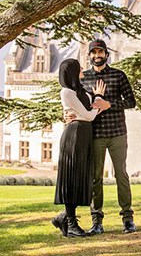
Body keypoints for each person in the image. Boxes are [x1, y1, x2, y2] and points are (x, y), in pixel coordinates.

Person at [65, 39, 137, 235]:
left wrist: (110, 104)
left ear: (106, 54)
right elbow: (75, 105)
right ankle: (97, 222)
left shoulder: (118, 75)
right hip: (94, 135)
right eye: (94, 52)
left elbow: (131, 101)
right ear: (89, 56)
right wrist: (68, 114)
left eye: (101, 52)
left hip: (117, 133)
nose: (97, 55)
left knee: (121, 175)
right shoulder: (82, 79)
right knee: (95, 178)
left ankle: (128, 219)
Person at [52, 59, 106, 238]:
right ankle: (71, 224)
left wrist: (94, 99)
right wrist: (98, 99)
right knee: (72, 178)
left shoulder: (79, 91)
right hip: (74, 135)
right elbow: (90, 115)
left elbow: (86, 111)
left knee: (80, 177)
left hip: (84, 135)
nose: (83, 68)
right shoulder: (66, 92)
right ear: (72, 72)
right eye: (79, 67)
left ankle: (65, 218)